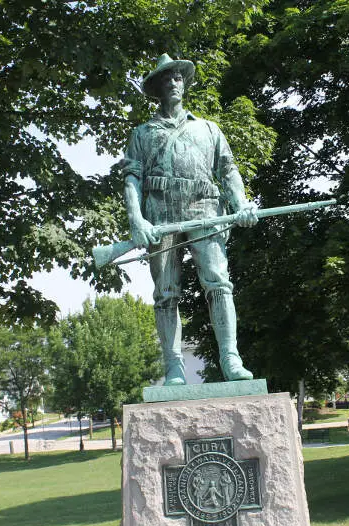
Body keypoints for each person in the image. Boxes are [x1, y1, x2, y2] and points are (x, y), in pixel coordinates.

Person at [121, 54, 259, 385]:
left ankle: (231, 359)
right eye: (165, 78)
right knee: (165, 292)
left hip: (205, 210)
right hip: (160, 217)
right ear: (155, 88)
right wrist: (136, 220)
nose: (173, 82)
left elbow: (228, 170)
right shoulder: (142, 133)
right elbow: (132, 179)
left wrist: (240, 202)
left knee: (218, 283)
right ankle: (174, 367)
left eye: (178, 77)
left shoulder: (208, 128)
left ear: (185, 83)